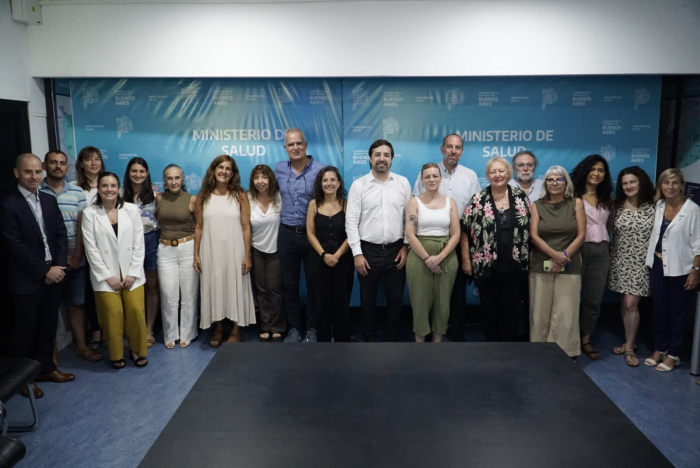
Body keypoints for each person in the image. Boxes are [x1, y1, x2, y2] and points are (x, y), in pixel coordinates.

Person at [0, 154, 75, 398]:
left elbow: (61, 236)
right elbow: (14, 245)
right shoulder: (8, 204)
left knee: (47, 327)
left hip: (55, 274)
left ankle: (46, 369)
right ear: (16, 173)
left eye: (37, 172)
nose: (34, 176)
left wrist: (60, 267)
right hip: (27, 279)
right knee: (24, 332)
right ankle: (23, 379)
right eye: (28, 172)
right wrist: (45, 270)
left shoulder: (49, 200)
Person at [412, 134, 480, 341]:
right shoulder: (427, 174)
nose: (453, 151)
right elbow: (415, 206)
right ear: (442, 149)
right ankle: (427, 335)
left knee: (455, 293)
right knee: (426, 295)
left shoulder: (470, 176)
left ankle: (455, 335)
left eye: (457, 147)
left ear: (461, 151)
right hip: (427, 236)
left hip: (460, 238)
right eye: (449, 147)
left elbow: (475, 210)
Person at [39, 150, 102, 363]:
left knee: (77, 304)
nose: (58, 166)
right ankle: (51, 353)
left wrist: (77, 255)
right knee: (49, 309)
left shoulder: (77, 192)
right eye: (53, 163)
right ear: (45, 165)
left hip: (75, 260)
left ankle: (81, 346)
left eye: (62, 163)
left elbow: (82, 226)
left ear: (67, 167)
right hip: (47, 262)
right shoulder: (37, 191)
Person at [82, 172, 148, 369]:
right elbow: (91, 248)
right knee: (112, 314)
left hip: (132, 273)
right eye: (104, 185)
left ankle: (137, 350)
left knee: (136, 311)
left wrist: (133, 273)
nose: (109, 189)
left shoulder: (131, 210)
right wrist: (107, 276)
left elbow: (139, 242)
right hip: (105, 276)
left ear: (118, 188)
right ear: (98, 189)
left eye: (113, 185)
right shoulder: (90, 213)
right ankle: (116, 353)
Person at [346, 139, 411, 342]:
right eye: (377, 155)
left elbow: (411, 217)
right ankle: (369, 342)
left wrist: (406, 246)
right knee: (367, 302)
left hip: (396, 250)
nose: (382, 159)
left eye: (386, 155)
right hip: (367, 252)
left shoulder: (403, 183)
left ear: (391, 159)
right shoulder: (359, 185)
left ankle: (392, 342)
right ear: (370, 158)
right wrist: (357, 253)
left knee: (395, 303)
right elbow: (351, 221)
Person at [461, 157, 531, 342]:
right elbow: (465, 231)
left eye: (501, 171)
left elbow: (532, 229)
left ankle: (508, 349)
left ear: (508, 173)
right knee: (489, 310)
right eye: (493, 172)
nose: (497, 175)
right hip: (486, 265)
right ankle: (491, 349)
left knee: (511, 310)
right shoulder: (478, 199)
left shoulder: (520, 197)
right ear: (487, 176)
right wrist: (466, 261)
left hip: (514, 265)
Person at [194, 155, 256, 346]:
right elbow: (199, 227)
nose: (224, 171)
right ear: (213, 170)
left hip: (235, 250)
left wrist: (247, 255)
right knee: (215, 286)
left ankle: (236, 330)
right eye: (220, 167)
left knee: (235, 285)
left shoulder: (240, 196)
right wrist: (196, 254)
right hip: (211, 250)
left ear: (233, 173)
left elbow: (246, 227)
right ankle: (219, 328)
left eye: (228, 168)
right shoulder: (203, 196)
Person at [644, 169, 700, 372]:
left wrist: (695, 270)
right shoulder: (659, 205)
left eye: (675, 183)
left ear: (682, 185)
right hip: (658, 265)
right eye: (666, 183)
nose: (670, 187)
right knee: (660, 311)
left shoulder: (692, 209)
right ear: (661, 185)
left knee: (678, 314)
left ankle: (674, 354)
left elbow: (698, 243)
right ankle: (660, 349)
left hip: (681, 269)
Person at [274, 128, 326, 342]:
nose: (295, 147)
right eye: (290, 144)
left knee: (315, 284)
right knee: (289, 284)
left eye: (299, 144)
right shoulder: (277, 169)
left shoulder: (321, 170)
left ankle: (313, 328)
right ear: (285, 148)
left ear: (306, 145)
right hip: (286, 234)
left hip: (313, 235)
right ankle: (294, 328)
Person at [529, 166, 586, 358]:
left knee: (566, 311)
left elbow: (581, 235)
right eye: (550, 179)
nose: (554, 183)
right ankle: (539, 351)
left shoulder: (576, 203)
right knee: (540, 311)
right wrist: (554, 255)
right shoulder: (537, 205)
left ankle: (566, 353)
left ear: (566, 183)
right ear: (545, 183)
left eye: (559, 179)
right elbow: (534, 236)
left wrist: (562, 258)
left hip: (569, 264)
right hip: (540, 264)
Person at [406, 163, 460, 342]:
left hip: (446, 257)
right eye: (427, 176)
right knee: (420, 304)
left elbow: (456, 234)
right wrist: (428, 259)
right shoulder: (414, 202)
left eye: (435, 176)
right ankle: (420, 346)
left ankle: (437, 346)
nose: (431, 179)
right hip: (419, 257)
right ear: (421, 180)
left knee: (443, 305)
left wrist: (440, 257)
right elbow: (410, 235)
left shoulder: (450, 202)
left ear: (440, 178)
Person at [608, 166, 655, 367]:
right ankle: (631, 341)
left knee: (630, 304)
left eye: (632, 182)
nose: (628, 186)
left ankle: (628, 348)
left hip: (641, 262)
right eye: (625, 183)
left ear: (641, 182)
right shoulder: (615, 206)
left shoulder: (654, 206)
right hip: (618, 260)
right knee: (624, 304)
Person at [570, 155, 613, 360]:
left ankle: (585, 339)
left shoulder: (608, 198)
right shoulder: (571, 194)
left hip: (601, 253)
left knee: (593, 300)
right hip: (577, 250)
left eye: (601, 170)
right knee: (568, 297)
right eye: (592, 169)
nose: (596, 173)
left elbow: (610, 225)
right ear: (585, 170)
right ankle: (568, 339)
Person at [306, 166, 354, 342]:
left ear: (339, 183)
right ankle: (323, 343)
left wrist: (338, 254)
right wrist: (324, 254)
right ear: (320, 183)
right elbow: (310, 233)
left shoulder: (347, 204)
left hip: (343, 261)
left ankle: (343, 343)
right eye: (325, 180)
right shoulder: (314, 205)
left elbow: (352, 233)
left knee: (341, 304)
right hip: (319, 261)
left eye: (332, 180)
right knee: (321, 304)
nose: (329, 183)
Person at [156, 164, 199, 349]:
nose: (174, 182)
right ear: (164, 182)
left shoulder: (192, 199)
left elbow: (199, 227)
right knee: (168, 294)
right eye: (169, 178)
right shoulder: (159, 198)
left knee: (189, 294)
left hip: (188, 247)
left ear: (183, 179)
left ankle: (187, 333)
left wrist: (197, 254)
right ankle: (170, 334)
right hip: (165, 250)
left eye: (177, 178)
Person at [122, 157, 160, 348]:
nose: (138, 175)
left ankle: (148, 330)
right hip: (126, 244)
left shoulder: (156, 193)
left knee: (152, 287)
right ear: (128, 173)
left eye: (141, 171)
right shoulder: (119, 194)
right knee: (131, 286)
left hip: (150, 240)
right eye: (134, 171)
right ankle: (132, 329)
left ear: (147, 174)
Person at [71, 146, 105, 348]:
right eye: (89, 159)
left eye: (97, 159)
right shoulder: (74, 188)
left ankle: (108, 329)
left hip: (106, 248)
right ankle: (95, 331)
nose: (94, 163)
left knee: (105, 291)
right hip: (82, 248)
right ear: (81, 164)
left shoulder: (109, 184)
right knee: (87, 293)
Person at [247, 164, 284, 342]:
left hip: (276, 250)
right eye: (256, 178)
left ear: (270, 179)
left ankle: (277, 327)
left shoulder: (279, 198)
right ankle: (265, 326)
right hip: (255, 250)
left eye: (264, 177)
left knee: (274, 289)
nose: (260, 181)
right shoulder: (247, 199)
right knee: (261, 290)